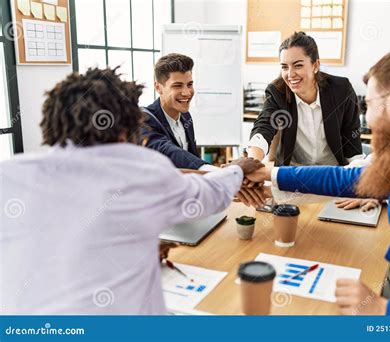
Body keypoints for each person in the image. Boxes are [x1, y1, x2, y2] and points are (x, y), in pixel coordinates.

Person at [0, 67, 264, 314]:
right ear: (127, 126)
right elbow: (209, 195)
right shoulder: (140, 170)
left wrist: (135, 241)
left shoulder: (9, 174)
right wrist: (238, 167)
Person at [247, 46, 390, 315]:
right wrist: (269, 173)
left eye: (368, 105)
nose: (368, 119)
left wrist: (382, 310)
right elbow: (346, 178)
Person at [247, 32, 363, 167]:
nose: (290, 74)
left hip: (331, 174)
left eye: (298, 65)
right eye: (284, 67)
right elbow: (263, 126)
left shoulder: (341, 89)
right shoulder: (277, 91)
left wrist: (357, 173)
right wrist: (251, 162)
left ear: (315, 65)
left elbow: (352, 139)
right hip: (291, 175)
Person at [141, 53, 217, 171]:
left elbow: (191, 156)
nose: (187, 93)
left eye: (189, 84)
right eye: (177, 86)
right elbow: (166, 150)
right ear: (158, 87)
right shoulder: (145, 119)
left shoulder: (186, 116)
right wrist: (210, 169)